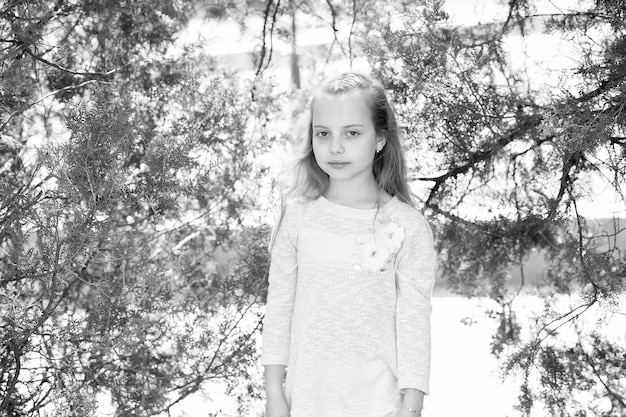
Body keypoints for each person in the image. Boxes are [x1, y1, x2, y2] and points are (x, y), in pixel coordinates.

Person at [261, 72, 437, 417]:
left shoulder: (408, 227)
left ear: (380, 140)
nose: (335, 147)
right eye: (323, 134)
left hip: (381, 403)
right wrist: (273, 394)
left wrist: (411, 407)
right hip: (307, 400)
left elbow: (414, 322)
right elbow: (280, 307)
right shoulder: (298, 218)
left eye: (352, 133)